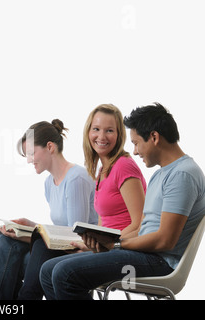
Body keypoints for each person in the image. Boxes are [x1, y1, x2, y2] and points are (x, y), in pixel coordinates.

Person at [40, 103, 205, 300]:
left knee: (65, 273)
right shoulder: (161, 174)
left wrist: (118, 245)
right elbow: (143, 227)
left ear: (154, 137)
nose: (134, 151)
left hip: (161, 263)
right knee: (48, 270)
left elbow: (165, 240)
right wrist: (110, 241)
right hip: (145, 255)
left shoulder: (183, 174)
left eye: (136, 143)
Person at [0, 120, 98, 300]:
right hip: (58, 247)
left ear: (50, 147)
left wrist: (34, 236)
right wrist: (31, 227)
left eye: (31, 153)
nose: (29, 160)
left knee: (37, 246)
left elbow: (75, 236)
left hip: (80, 249)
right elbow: (61, 229)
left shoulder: (76, 179)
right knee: (7, 242)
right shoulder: (49, 183)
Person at [80, 104, 146, 239]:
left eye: (109, 131)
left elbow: (140, 224)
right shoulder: (102, 170)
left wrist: (108, 244)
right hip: (108, 247)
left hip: (125, 247)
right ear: (88, 132)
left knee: (57, 261)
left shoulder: (123, 166)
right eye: (96, 129)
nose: (101, 136)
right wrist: (93, 244)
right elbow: (103, 222)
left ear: (119, 135)